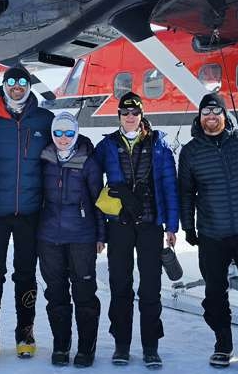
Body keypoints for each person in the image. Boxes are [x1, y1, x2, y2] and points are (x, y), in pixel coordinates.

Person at [0, 65, 54, 360]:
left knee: (26, 273)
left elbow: (61, 156)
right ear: (4, 85)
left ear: (29, 86)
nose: (17, 86)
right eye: (12, 82)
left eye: (23, 82)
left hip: (31, 212)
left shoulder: (44, 119)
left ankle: (25, 331)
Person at [177, 92, 238, 368]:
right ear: (199, 117)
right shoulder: (191, 151)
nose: (211, 117)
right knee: (215, 292)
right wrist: (188, 228)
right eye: (206, 113)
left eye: (216, 112)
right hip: (212, 233)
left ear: (225, 115)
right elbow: (186, 193)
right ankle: (223, 342)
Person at [93, 92, 179, 369]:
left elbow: (169, 184)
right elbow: (91, 181)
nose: (130, 117)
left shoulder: (158, 144)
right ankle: (121, 344)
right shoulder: (107, 145)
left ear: (142, 115)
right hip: (119, 224)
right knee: (120, 284)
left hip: (151, 223)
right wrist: (99, 232)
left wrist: (172, 225)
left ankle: (151, 347)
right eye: (125, 113)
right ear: (118, 116)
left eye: (135, 113)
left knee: (151, 287)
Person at [36, 112, 105, 368]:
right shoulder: (44, 159)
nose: (63, 139)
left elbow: (98, 200)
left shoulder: (88, 161)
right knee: (55, 293)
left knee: (84, 292)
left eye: (68, 133)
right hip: (49, 236)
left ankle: (86, 348)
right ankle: (61, 345)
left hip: (82, 236)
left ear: (75, 133)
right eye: (58, 133)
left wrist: (100, 234)